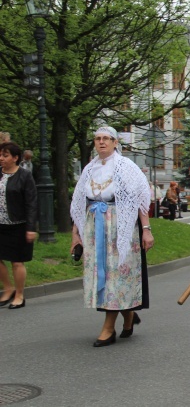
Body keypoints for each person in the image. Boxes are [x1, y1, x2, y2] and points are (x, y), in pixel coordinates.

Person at [70, 126, 153, 347]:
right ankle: (128, 315)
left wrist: (146, 230)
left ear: (116, 142)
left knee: (117, 276)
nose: (102, 142)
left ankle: (109, 327)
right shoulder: (89, 168)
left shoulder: (127, 167)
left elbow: (141, 200)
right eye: (98, 139)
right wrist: (75, 234)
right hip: (94, 227)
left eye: (107, 138)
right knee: (103, 274)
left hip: (119, 226)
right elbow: (79, 204)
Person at [0, 142, 37, 309]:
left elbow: (31, 203)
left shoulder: (24, 176)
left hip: (18, 225)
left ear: (15, 158)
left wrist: (31, 228)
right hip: (0, 224)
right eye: (0, 155)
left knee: (17, 261)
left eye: (5, 155)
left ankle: (20, 295)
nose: (1, 158)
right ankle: (8, 289)